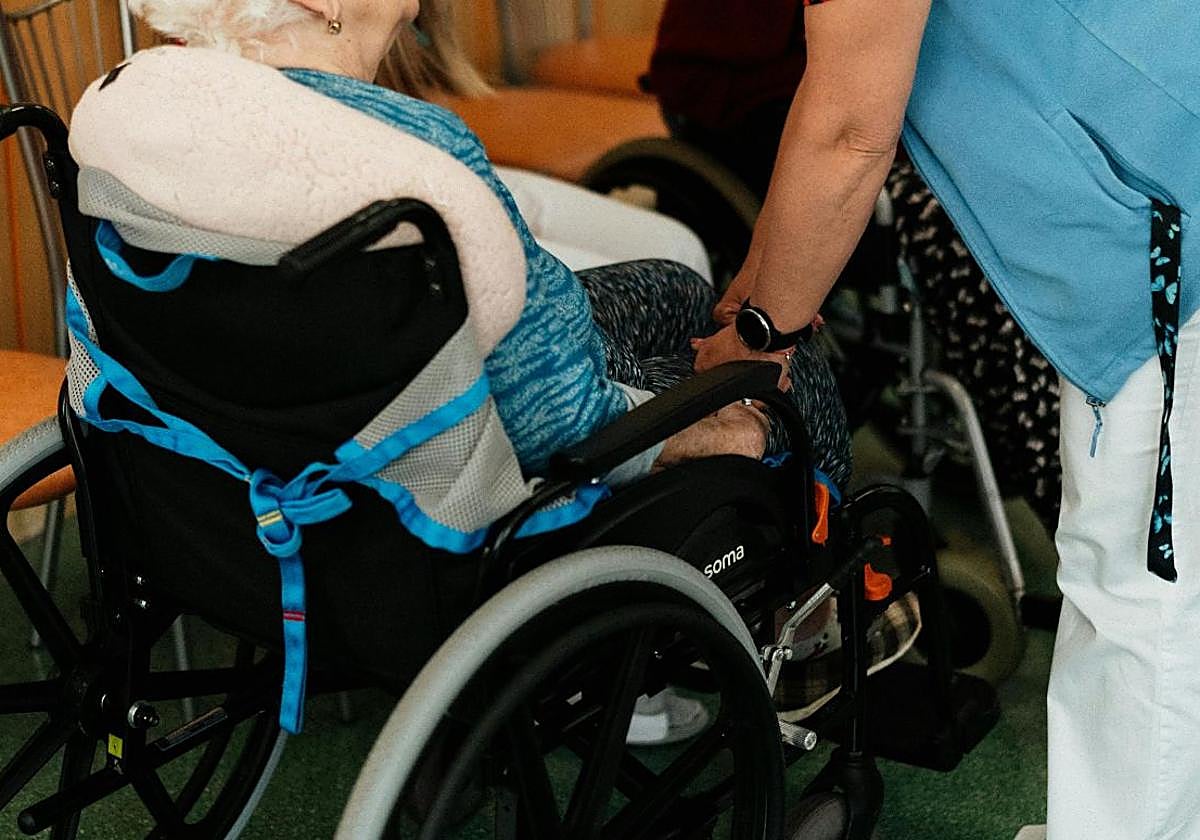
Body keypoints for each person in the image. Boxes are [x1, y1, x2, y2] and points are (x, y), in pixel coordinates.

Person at [690, 1, 1200, 838]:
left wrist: (761, 338)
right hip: (1160, 170)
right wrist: (757, 285)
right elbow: (833, 96)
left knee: (1137, 588)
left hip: (1168, 208)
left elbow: (850, 129)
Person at [129, 0, 853, 491]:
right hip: (498, 436)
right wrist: (732, 432)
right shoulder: (416, 154)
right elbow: (557, 424)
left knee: (680, 287)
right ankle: (812, 616)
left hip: (327, 410)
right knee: (793, 376)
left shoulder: (151, 112)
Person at [645, 0, 1063, 533]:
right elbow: (847, 131)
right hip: (763, 85)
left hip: (899, 81)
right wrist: (766, 323)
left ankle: (1052, 467)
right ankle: (1049, 471)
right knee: (952, 219)